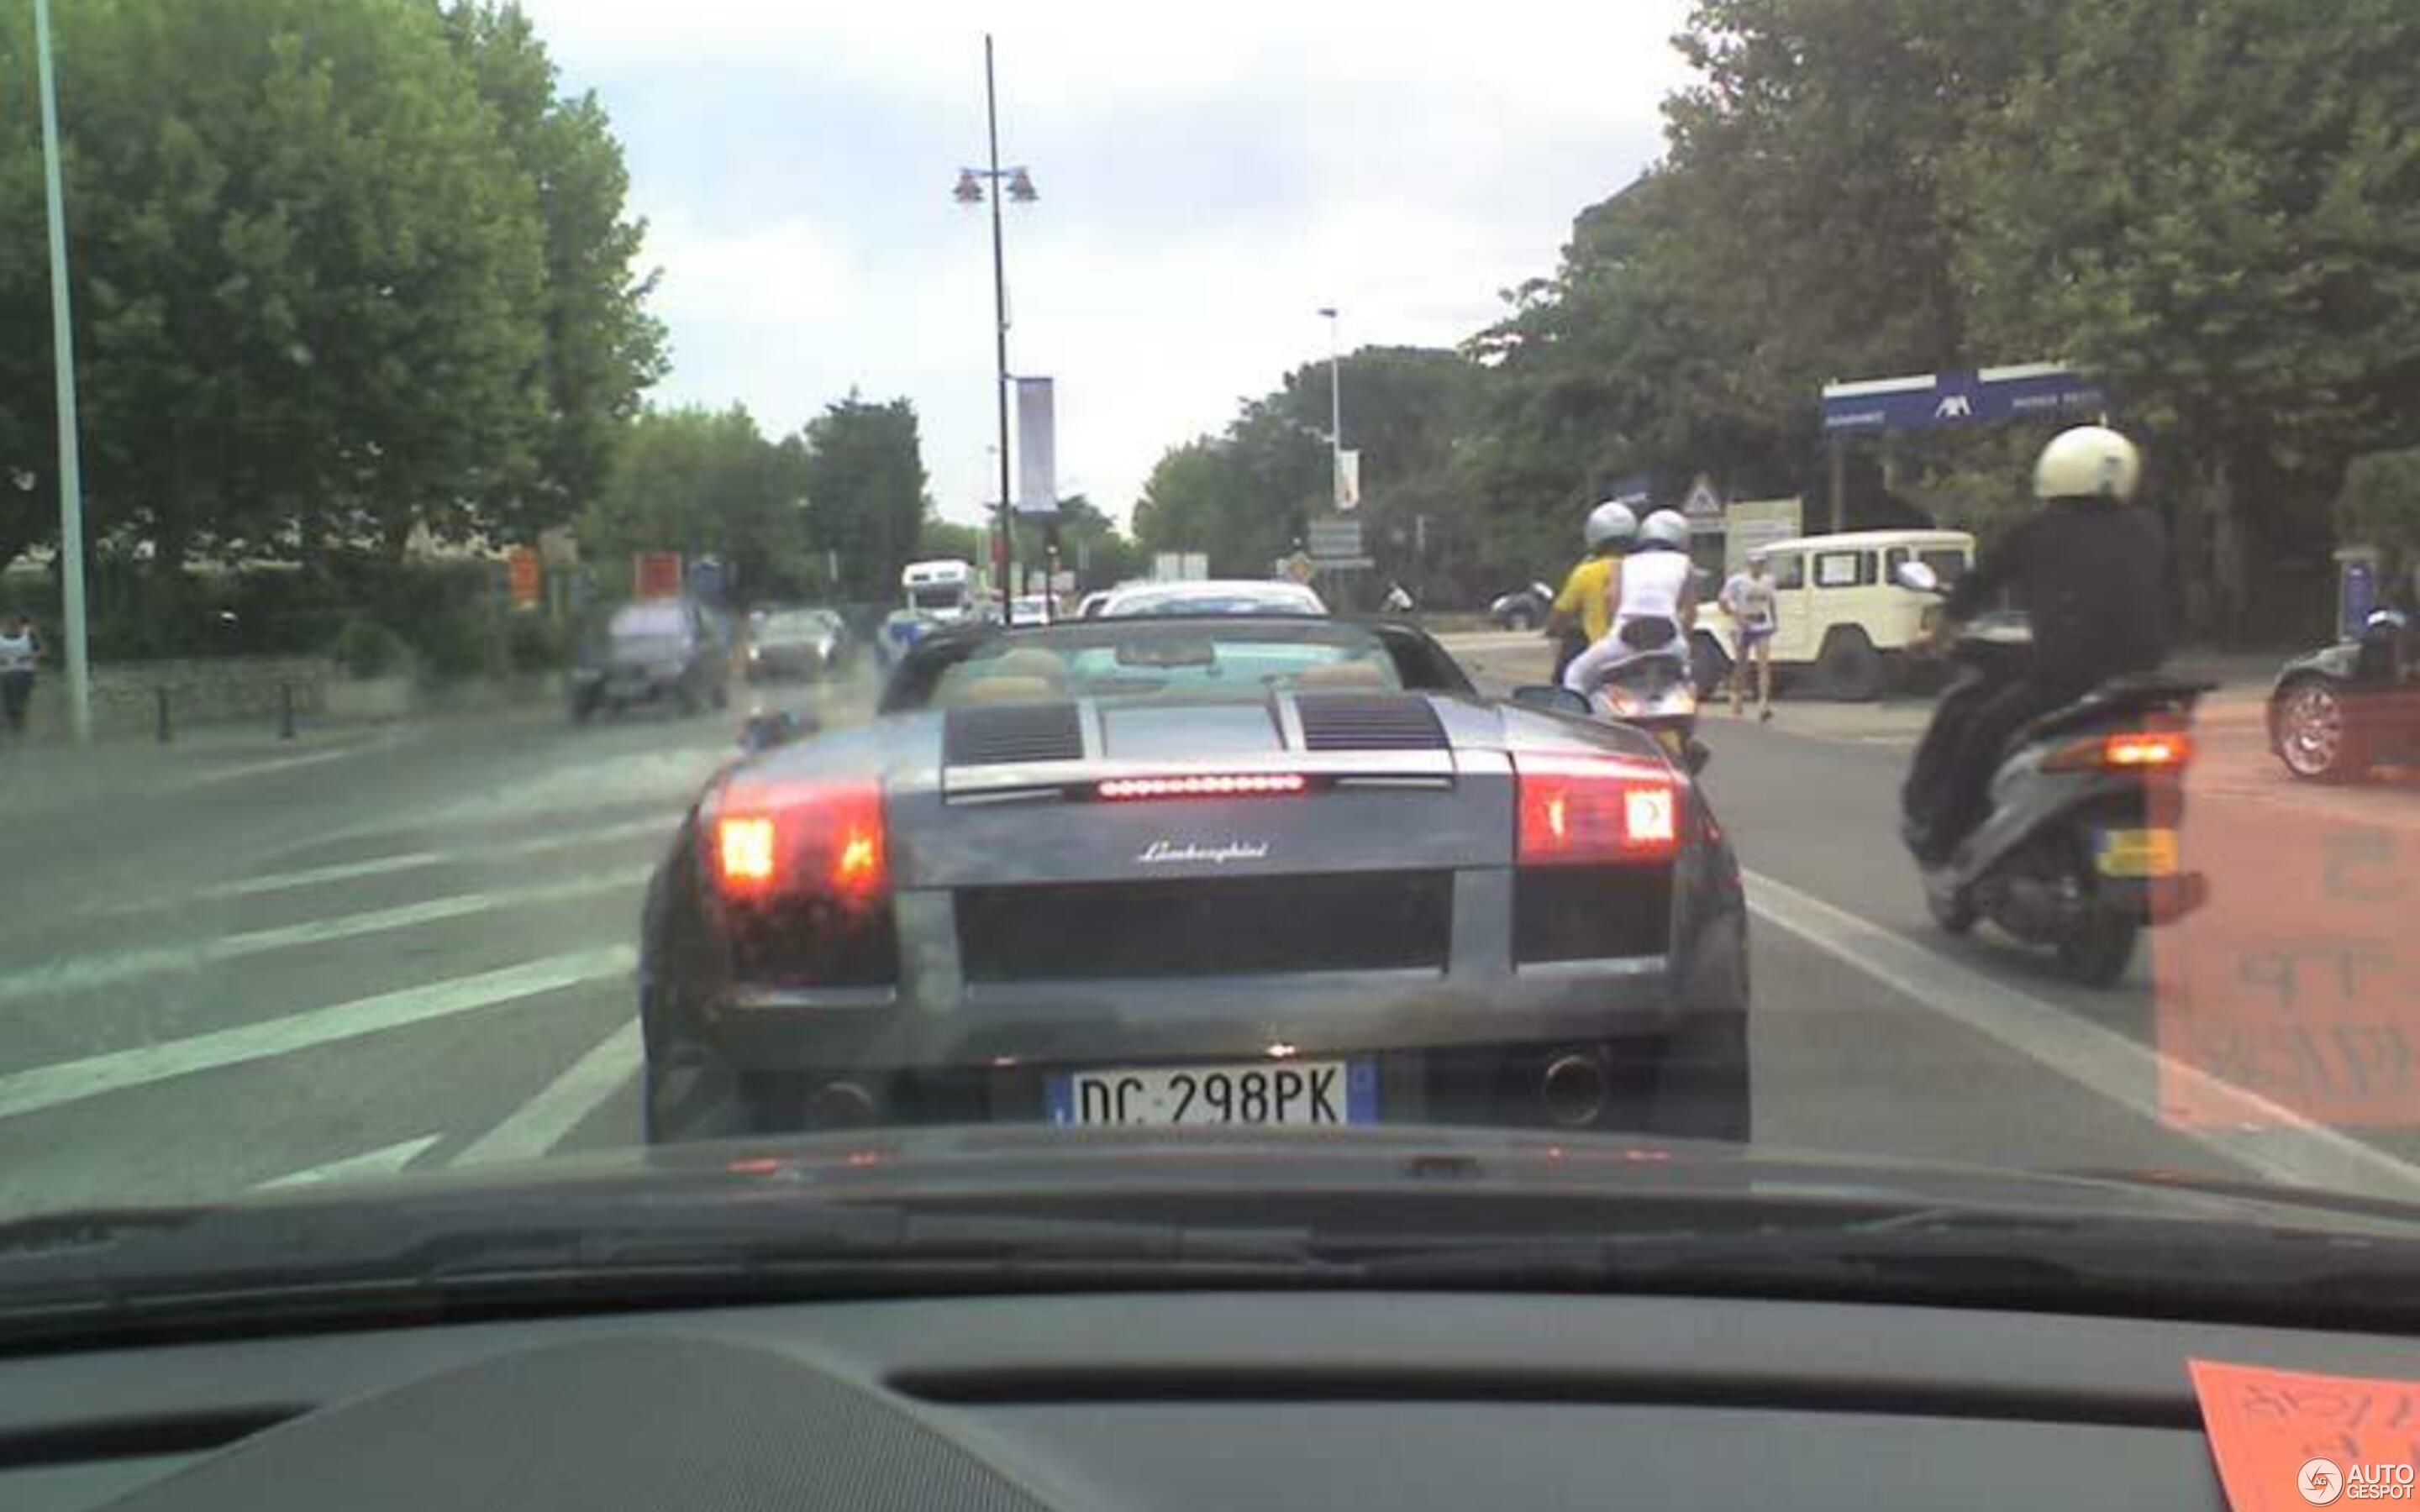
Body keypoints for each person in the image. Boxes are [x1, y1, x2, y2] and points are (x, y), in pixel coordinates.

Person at [1904, 424, 2170, 864]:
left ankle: (1945, 836)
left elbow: (1978, 585)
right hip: (2141, 684)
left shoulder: (2037, 531)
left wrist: (1937, 636)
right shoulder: (2149, 529)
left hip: (2065, 680)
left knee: (1981, 732)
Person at [1562, 508, 1698, 698]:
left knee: (1574, 673)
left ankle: (1578, 721)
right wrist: (1681, 640)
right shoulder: (1685, 563)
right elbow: (1690, 614)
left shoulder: (1622, 564)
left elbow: (1613, 605)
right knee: (1686, 680)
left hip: (1624, 640)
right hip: (1671, 641)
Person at [1546, 501, 1636, 683]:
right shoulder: (1645, 566)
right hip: (1643, 653)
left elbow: (1560, 615)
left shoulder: (1586, 572)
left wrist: (1552, 630)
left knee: (1569, 679)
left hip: (1604, 656)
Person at [1718, 551, 1778, 721]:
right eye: (1755, 563)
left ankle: (1764, 703)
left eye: (1761, 563)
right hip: (1741, 627)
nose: (1758, 567)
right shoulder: (1737, 581)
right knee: (1741, 665)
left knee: (1763, 663)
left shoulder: (1769, 581)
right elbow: (1723, 602)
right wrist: (1737, 616)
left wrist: (1774, 620)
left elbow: (1771, 601)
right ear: (1749, 564)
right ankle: (1736, 696)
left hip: (1761, 623)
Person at [0, 613, 39, 736]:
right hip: (4, 674)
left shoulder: (30, 634)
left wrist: (28, 656)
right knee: (6, 708)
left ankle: (19, 733)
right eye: (9, 623)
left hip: (24, 674)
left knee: (17, 707)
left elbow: (43, 651)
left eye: (16, 624)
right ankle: (13, 734)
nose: (12, 626)